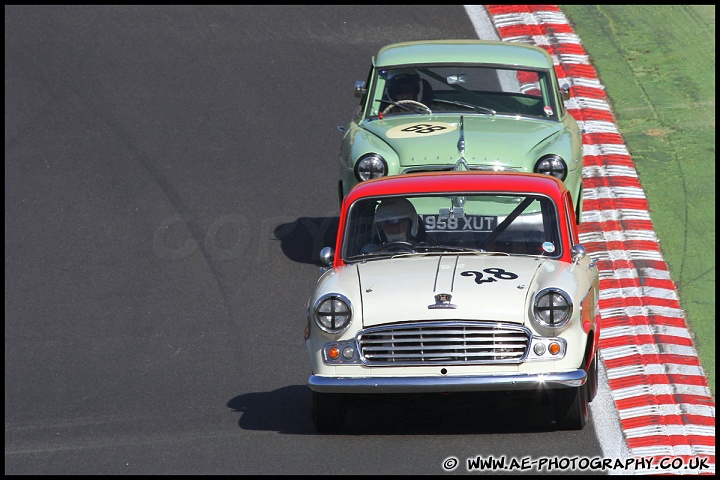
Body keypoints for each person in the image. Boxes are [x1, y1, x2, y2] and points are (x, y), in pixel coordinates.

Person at [361, 198, 428, 253]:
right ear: (381, 227)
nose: (395, 230)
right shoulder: (369, 252)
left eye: (400, 224)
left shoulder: (424, 249)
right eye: (389, 225)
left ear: (412, 224)